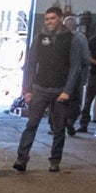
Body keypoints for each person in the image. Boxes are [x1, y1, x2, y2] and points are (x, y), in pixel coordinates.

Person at [13, 11, 75, 173]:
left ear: (60, 19)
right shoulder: (40, 38)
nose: (49, 22)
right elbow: (31, 64)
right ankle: (22, 158)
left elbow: (75, 67)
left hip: (60, 90)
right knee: (31, 124)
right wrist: (27, 89)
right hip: (40, 89)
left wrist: (67, 90)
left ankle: (55, 161)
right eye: (47, 19)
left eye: (53, 18)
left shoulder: (70, 39)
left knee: (59, 128)